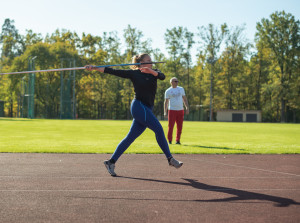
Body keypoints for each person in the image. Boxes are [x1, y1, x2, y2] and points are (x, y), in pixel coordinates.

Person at [85, 53, 183, 177]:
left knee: (130, 137)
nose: (152, 62)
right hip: (138, 106)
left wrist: (151, 71)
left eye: (151, 60)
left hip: (147, 109)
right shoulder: (135, 73)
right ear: (140, 63)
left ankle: (111, 162)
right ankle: (170, 159)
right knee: (158, 129)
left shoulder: (155, 72)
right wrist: (94, 68)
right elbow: (113, 71)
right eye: (148, 61)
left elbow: (162, 77)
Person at [164, 77, 189, 145]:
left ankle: (177, 140)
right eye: (175, 81)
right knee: (171, 126)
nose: (177, 82)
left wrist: (187, 107)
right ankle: (169, 140)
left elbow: (184, 99)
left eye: (177, 81)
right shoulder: (168, 91)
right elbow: (166, 102)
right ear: (171, 82)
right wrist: (165, 112)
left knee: (180, 126)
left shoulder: (181, 89)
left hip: (180, 110)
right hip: (172, 110)